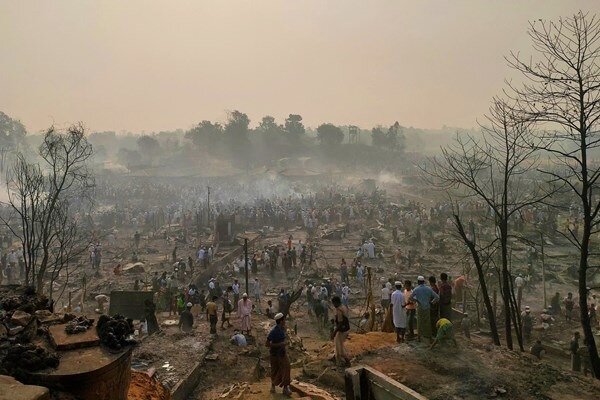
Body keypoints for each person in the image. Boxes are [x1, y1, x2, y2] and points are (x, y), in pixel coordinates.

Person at [266, 313, 292, 396]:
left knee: (286, 367)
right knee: (274, 369)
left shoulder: (283, 328)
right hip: (274, 353)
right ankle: (273, 386)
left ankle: (285, 387)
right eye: (284, 319)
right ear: (281, 321)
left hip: (282, 353)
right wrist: (280, 344)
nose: (285, 321)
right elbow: (267, 344)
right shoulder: (273, 331)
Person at [410, 276, 440, 343]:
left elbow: (410, 298)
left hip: (420, 307)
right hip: (427, 307)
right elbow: (437, 297)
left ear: (418, 282)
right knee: (427, 322)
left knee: (420, 322)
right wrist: (432, 302)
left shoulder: (416, 289)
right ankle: (429, 337)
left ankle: (419, 337)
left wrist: (416, 301)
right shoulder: (428, 289)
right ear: (424, 282)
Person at [331, 296, 351, 367]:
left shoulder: (339, 310)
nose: (333, 305)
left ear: (336, 302)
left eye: (333, 303)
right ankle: (341, 359)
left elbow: (340, 322)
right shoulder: (344, 307)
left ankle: (344, 360)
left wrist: (334, 332)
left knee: (339, 346)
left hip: (341, 330)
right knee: (340, 344)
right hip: (346, 329)